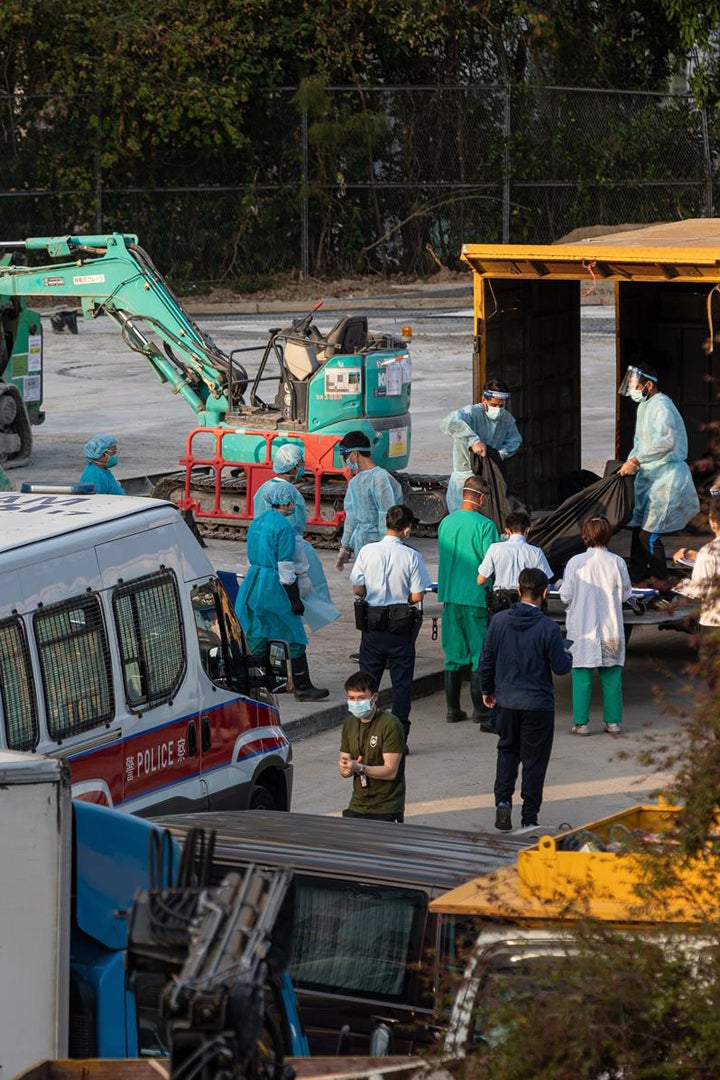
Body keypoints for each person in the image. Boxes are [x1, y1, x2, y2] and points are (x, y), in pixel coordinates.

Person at [480, 567, 572, 832]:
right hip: (538, 704)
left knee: (507, 750)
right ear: (545, 593)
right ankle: (529, 816)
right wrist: (569, 656)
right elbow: (561, 667)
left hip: (506, 701)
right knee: (535, 760)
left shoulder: (498, 621)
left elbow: (486, 660)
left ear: (519, 590)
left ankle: (503, 803)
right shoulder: (549, 628)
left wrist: (487, 690)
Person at [235, 479, 329, 702]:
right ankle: (303, 686)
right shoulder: (284, 528)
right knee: (294, 634)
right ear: (286, 503)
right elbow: (286, 569)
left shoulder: (257, 523)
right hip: (274, 584)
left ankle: (261, 684)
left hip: (254, 581)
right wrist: (295, 600)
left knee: (257, 631)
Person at [349, 503, 432, 745]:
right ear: (407, 530)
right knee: (402, 685)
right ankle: (398, 740)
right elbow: (417, 596)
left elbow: (357, 588)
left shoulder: (367, 551)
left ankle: (364, 735)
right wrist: (401, 598)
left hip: (372, 626)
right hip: (400, 627)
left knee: (366, 682)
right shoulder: (412, 556)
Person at [618, 364, 699, 584]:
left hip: (666, 478)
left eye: (636, 386)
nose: (633, 390)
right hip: (649, 477)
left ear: (649, 385)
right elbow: (640, 443)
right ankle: (637, 578)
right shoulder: (644, 406)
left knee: (650, 534)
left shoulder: (662, 406)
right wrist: (630, 460)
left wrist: (636, 460)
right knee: (638, 531)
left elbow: (666, 442)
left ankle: (662, 581)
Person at [254, 442, 340, 634]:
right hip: (286, 562)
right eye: (300, 462)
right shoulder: (291, 497)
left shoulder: (263, 490)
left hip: (263, 561)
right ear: (294, 466)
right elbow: (294, 537)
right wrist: (301, 576)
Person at [559, 516, 633, 736]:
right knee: (611, 676)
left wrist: (562, 585)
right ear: (608, 535)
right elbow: (626, 594)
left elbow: (566, 596)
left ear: (585, 535)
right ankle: (613, 723)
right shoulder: (617, 562)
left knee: (581, 675)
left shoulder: (575, 562)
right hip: (610, 628)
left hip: (583, 630)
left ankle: (581, 724)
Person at [437, 475, 499, 729]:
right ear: (481, 497)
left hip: (450, 596)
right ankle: (480, 711)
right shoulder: (486, 526)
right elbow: (491, 561)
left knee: (453, 654)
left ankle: (453, 709)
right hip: (476, 597)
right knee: (478, 655)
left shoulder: (446, 523)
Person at [440, 380, 522, 513]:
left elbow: (515, 440)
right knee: (462, 514)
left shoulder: (506, 419)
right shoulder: (470, 413)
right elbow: (448, 423)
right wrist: (473, 441)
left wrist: (500, 453)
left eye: (501, 405)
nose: (498, 409)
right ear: (484, 399)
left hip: (487, 476)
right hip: (464, 476)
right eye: (494, 405)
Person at [338, 670, 406, 823]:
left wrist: (360, 768)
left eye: (361, 698)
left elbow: (390, 771)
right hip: (357, 804)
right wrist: (346, 768)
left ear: (374, 697)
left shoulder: (390, 724)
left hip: (386, 807)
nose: (356, 703)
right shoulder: (349, 723)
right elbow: (344, 767)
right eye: (351, 698)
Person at [336, 430, 402, 570]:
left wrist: (386, 546)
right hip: (362, 545)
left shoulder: (380, 478)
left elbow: (387, 514)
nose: (347, 461)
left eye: (346, 456)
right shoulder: (355, 482)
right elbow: (351, 516)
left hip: (380, 544)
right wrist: (345, 545)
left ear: (355, 454)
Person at [477, 509, 554, 598]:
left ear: (507, 531)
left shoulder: (494, 548)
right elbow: (546, 580)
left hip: (501, 600)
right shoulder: (536, 552)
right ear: (528, 530)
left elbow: (480, 580)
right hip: (525, 599)